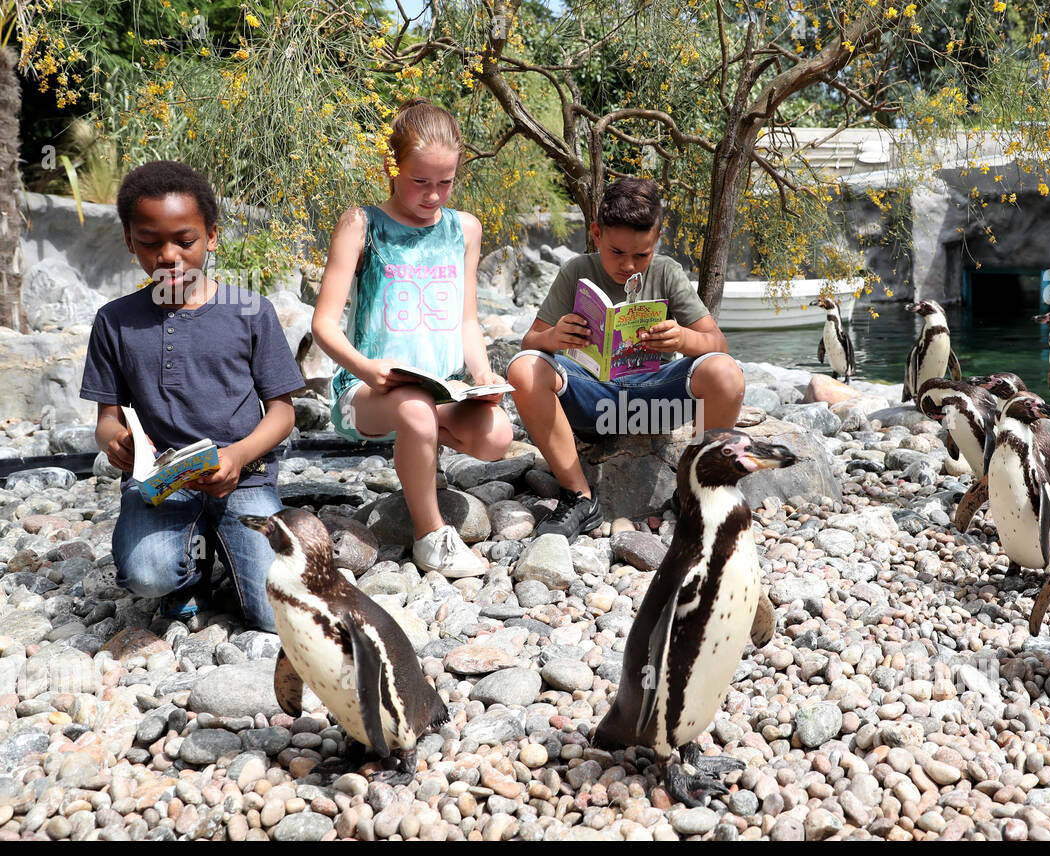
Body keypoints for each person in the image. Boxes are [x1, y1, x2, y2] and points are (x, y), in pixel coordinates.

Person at [81, 160, 304, 631]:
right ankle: (191, 573)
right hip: (163, 485)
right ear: (128, 240)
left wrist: (237, 456)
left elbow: (283, 412)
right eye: (149, 242)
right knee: (146, 576)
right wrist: (115, 442)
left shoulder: (250, 311)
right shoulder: (115, 321)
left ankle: (223, 543)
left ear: (212, 236)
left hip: (245, 478)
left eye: (185, 241)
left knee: (272, 617)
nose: (169, 256)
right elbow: (107, 418)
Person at [313, 99, 512, 577]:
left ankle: (416, 457)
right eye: (420, 181)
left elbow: (466, 320)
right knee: (415, 412)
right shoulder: (362, 224)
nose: (434, 195)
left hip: (441, 386)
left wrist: (483, 374)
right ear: (391, 165)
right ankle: (431, 537)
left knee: (498, 437)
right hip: (368, 392)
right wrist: (366, 369)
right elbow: (323, 324)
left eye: (445, 182)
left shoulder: (464, 229)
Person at [507, 178, 745, 541]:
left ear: (658, 238)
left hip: (656, 399)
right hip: (592, 399)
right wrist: (554, 337)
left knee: (725, 373)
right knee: (523, 368)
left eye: (641, 255)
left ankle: (695, 492)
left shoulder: (666, 272)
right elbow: (530, 342)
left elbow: (718, 344)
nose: (628, 265)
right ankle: (580, 498)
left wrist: (684, 338)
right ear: (597, 233)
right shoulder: (576, 271)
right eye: (617, 252)